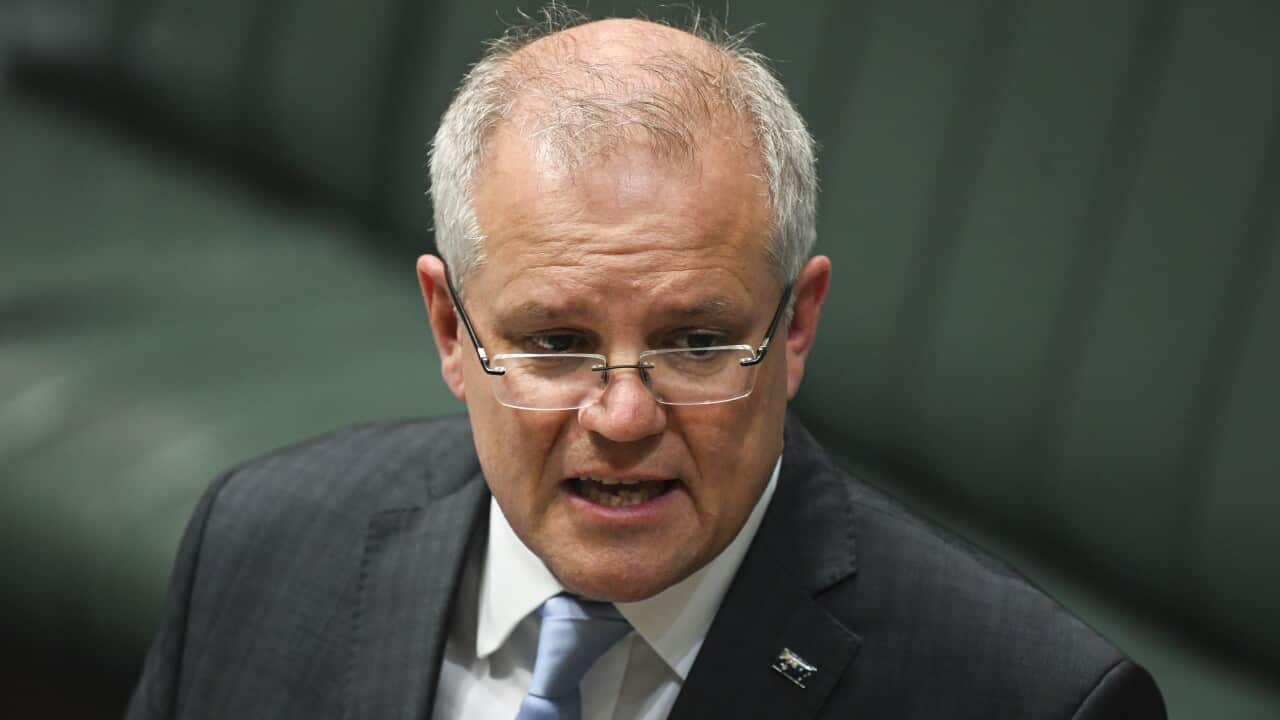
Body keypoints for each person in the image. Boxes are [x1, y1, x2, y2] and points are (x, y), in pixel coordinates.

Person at [127, 10, 1166, 720]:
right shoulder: (261, 547)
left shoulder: (1031, 701)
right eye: (555, 344)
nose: (622, 418)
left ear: (795, 329)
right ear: (450, 329)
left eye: (695, 343)